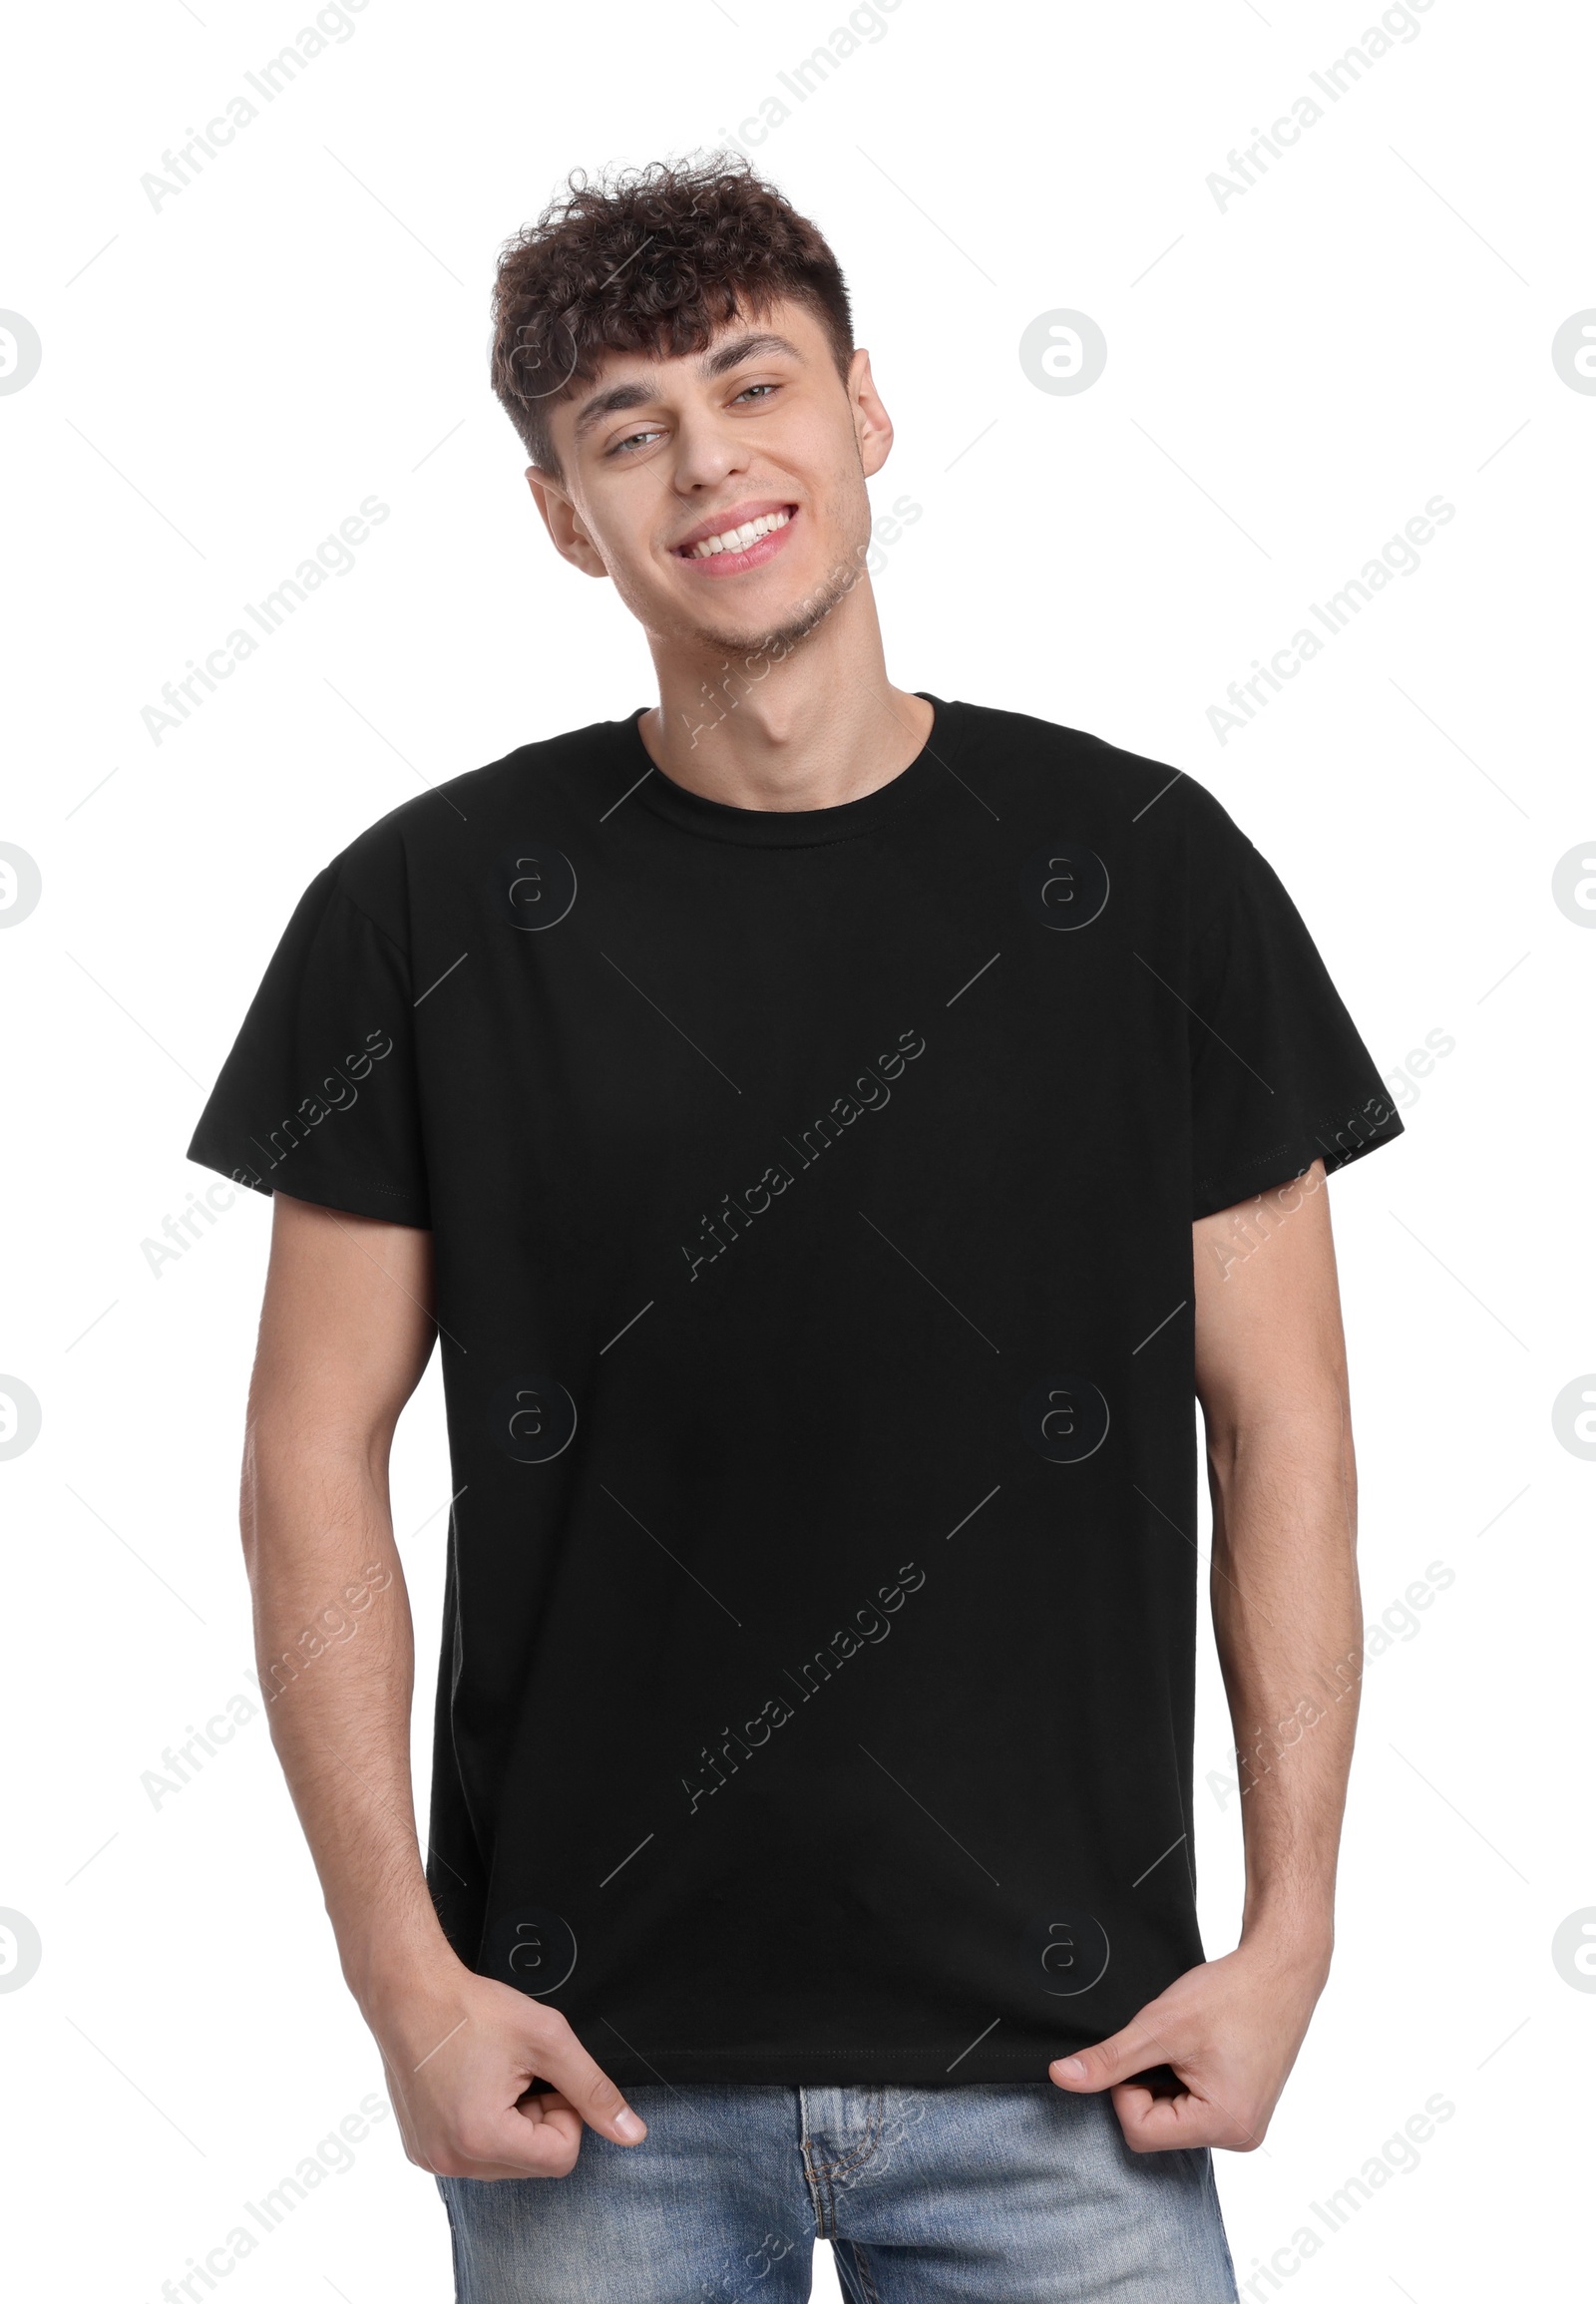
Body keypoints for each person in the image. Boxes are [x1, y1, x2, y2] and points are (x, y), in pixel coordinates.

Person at [187, 155, 1403, 2304]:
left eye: (752, 385)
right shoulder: (426, 912)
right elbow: (307, 1468)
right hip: (589, 2087)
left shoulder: (1140, 869)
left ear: (865, 411)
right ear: (563, 515)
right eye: (623, 429)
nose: (704, 462)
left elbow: (1283, 1429)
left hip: (1068, 2075)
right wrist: (405, 1983)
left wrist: (1287, 1937)